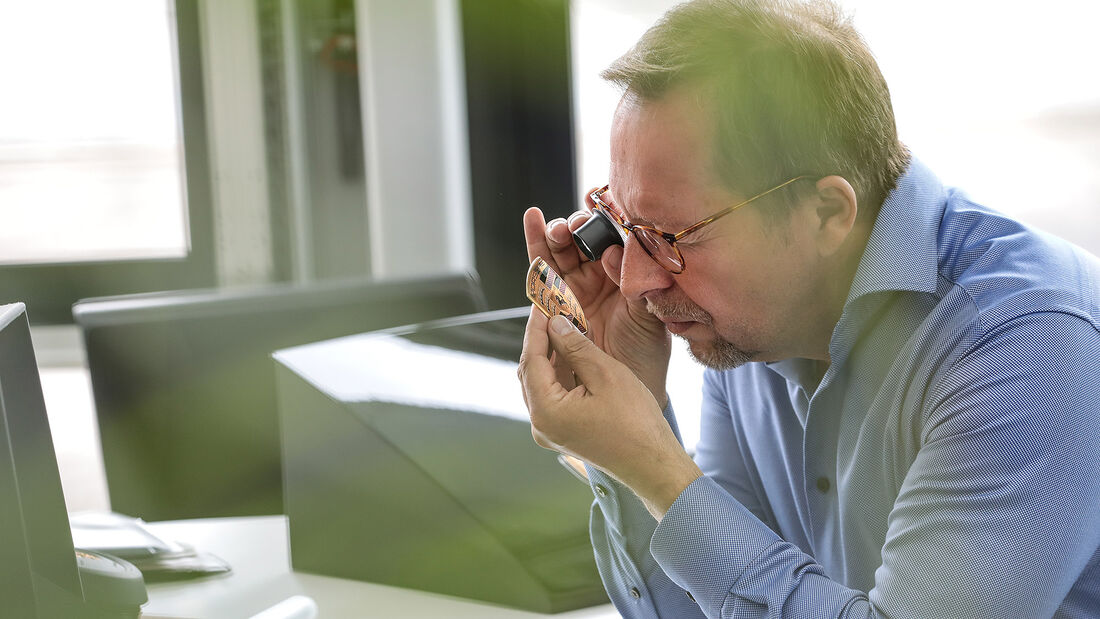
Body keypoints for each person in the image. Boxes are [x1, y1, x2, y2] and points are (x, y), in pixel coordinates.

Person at [515, 0, 1100, 617]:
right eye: (622, 225)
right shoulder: (746, 328)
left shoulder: (1029, 348)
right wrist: (633, 408)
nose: (635, 282)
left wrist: (657, 470)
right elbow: (722, 603)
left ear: (826, 213)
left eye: (672, 238)